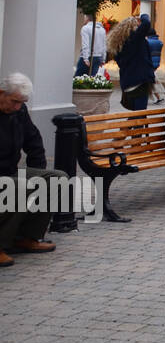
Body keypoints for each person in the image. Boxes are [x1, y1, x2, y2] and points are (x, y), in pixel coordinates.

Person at [0, 73, 66, 267]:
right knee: (18, 187)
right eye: (14, 101)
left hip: (9, 171)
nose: (17, 107)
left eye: (22, 102)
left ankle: (27, 237)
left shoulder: (19, 112)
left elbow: (33, 141)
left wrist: (38, 175)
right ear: (2, 93)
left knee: (56, 178)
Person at [107, 15, 158, 112]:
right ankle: (129, 127)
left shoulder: (119, 44)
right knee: (140, 114)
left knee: (136, 114)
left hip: (127, 82)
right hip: (139, 81)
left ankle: (127, 127)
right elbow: (146, 23)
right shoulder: (134, 39)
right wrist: (144, 16)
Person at [76, 13, 107, 78]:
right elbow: (104, 45)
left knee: (78, 79)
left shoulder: (85, 28)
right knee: (91, 79)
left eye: (84, 17)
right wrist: (103, 59)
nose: (84, 19)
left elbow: (85, 44)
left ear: (87, 18)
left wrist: (85, 59)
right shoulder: (102, 30)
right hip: (98, 57)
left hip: (88, 57)